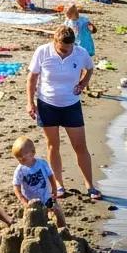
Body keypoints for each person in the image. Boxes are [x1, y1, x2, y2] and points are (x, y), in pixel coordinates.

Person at [26, 25, 101, 201]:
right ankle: (58, 185)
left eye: (70, 48)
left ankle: (90, 185)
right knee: (53, 145)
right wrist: (30, 102)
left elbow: (90, 68)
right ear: (55, 41)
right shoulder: (42, 52)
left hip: (71, 105)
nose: (67, 51)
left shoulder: (80, 53)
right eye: (63, 48)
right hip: (47, 104)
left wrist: (83, 84)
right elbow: (32, 78)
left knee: (80, 146)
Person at [11, 136, 66, 227]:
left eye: (23, 159)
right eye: (18, 159)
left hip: (46, 196)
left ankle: (63, 228)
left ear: (33, 153)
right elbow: (16, 186)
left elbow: (50, 176)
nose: (21, 162)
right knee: (33, 219)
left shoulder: (42, 163)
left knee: (56, 210)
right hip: (31, 201)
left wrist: (54, 189)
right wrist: (23, 200)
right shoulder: (20, 170)